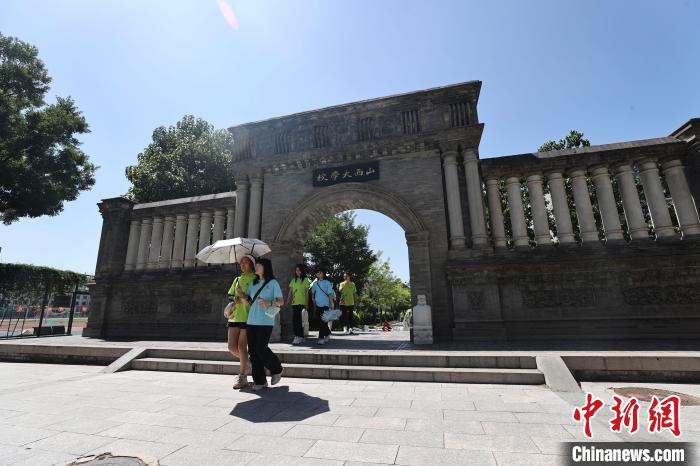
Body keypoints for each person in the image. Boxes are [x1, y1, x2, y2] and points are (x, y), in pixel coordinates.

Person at [245, 257, 284, 390]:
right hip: (251, 320)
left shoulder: (273, 283)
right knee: (253, 351)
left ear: (265, 267)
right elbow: (249, 301)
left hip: (266, 320)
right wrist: (240, 295)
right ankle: (260, 381)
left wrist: (268, 303)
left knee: (261, 348)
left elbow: (281, 301)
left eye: (258, 265)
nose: (255, 267)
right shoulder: (253, 283)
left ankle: (277, 368)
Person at [226, 255, 256, 389]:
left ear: (251, 264)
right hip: (234, 316)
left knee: (241, 347)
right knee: (231, 347)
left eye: (246, 262)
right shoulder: (237, 279)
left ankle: (242, 377)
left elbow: (254, 298)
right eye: (241, 262)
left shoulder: (256, 279)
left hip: (248, 316)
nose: (243, 264)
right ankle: (248, 363)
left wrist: (243, 295)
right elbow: (229, 294)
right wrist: (234, 298)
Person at [287, 263, 310, 345]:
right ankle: (300, 336)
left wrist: (307, 303)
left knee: (298, 320)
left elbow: (307, 293)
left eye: (299, 270)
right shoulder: (293, 280)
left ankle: (298, 336)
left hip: (302, 303)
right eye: (296, 270)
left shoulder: (305, 280)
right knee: (295, 320)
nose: (298, 272)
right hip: (294, 303)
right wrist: (288, 299)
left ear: (302, 271)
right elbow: (290, 291)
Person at [310, 270, 335, 345]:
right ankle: (327, 333)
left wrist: (331, 303)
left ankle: (321, 338)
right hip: (318, 305)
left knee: (323, 321)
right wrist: (312, 298)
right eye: (317, 273)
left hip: (325, 304)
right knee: (319, 320)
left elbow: (330, 293)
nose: (319, 274)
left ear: (323, 274)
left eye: (320, 272)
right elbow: (312, 292)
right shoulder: (315, 283)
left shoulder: (327, 283)